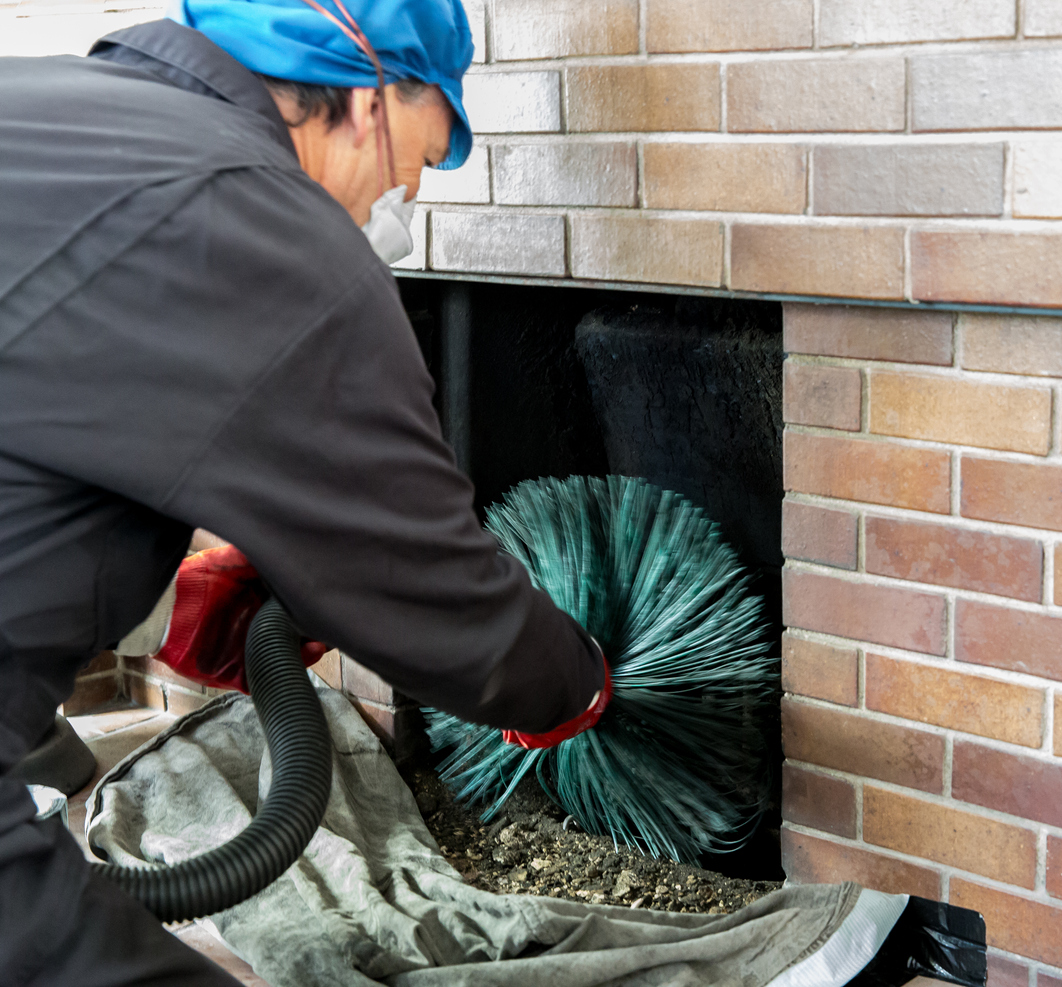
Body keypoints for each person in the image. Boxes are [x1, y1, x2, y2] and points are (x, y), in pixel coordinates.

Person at [0, 0, 607, 981]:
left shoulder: (60, 113)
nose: (406, 193)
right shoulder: (259, 215)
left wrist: (227, 535)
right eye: (420, 153)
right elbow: (433, 587)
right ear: (368, 98)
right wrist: (566, 686)